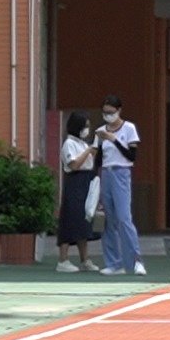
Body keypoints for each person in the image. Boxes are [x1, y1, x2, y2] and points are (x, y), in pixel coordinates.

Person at [95, 94, 145, 276]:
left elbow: (131, 156)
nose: (108, 115)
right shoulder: (100, 131)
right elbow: (99, 159)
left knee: (124, 218)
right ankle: (113, 263)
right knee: (108, 220)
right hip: (106, 173)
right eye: (105, 112)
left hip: (122, 172)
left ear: (119, 111)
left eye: (111, 112)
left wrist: (113, 139)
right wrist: (96, 179)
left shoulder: (129, 128)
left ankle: (136, 260)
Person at [56, 111, 98, 274]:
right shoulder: (69, 144)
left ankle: (85, 259)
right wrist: (87, 152)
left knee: (83, 221)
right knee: (70, 219)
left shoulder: (82, 143)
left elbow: (89, 161)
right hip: (74, 181)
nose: (87, 129)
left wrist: (95, 145)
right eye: (85, 126)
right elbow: (74, 164)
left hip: (85, 181)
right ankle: (63, 260)